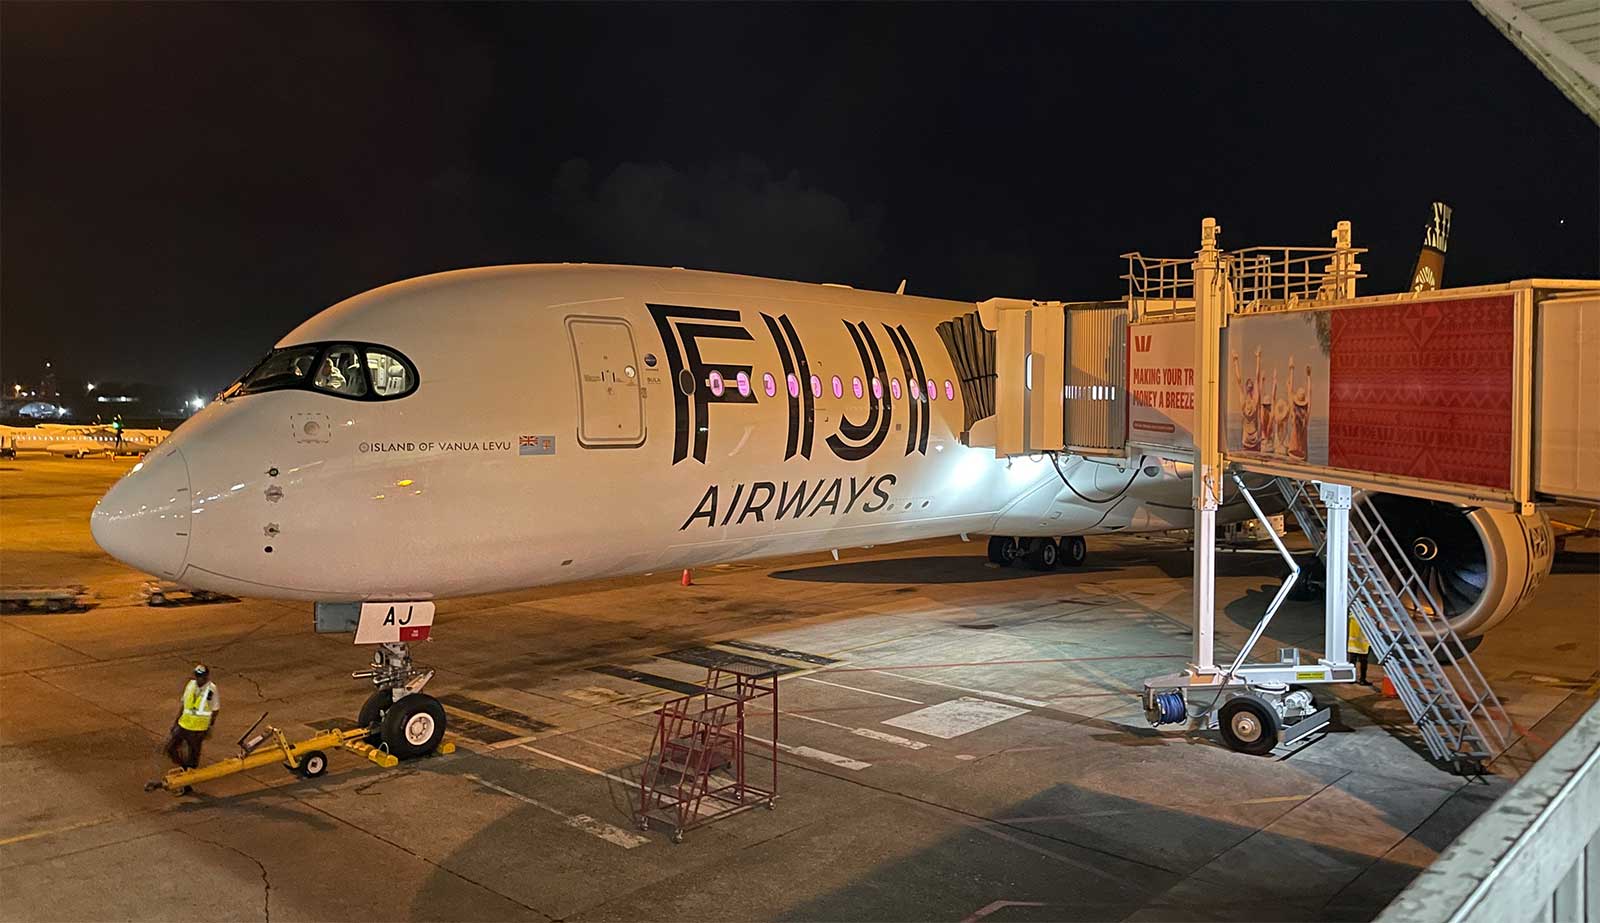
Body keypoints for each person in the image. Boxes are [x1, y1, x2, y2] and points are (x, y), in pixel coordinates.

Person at [165, 664, 220, 774]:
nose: (199, 679)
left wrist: (209, 727)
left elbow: (215, 709)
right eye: (197, 676)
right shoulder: (190, 685)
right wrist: (176, 722)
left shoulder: (211, 689)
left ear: (206, 677)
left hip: (198, 729)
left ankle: (188, 779)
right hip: (183, 724)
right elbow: (184, 704)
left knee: (193, 757)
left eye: (202, 677)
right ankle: (184, 768)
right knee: (170, 748)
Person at [1348, 615, 1372, 686]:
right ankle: (1362, 679)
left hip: (1353, 643)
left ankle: (1351, 678)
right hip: (1363, 643)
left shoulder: (1352, 614)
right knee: (1363, 661)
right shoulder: (1366, 614)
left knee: (1352, 661)